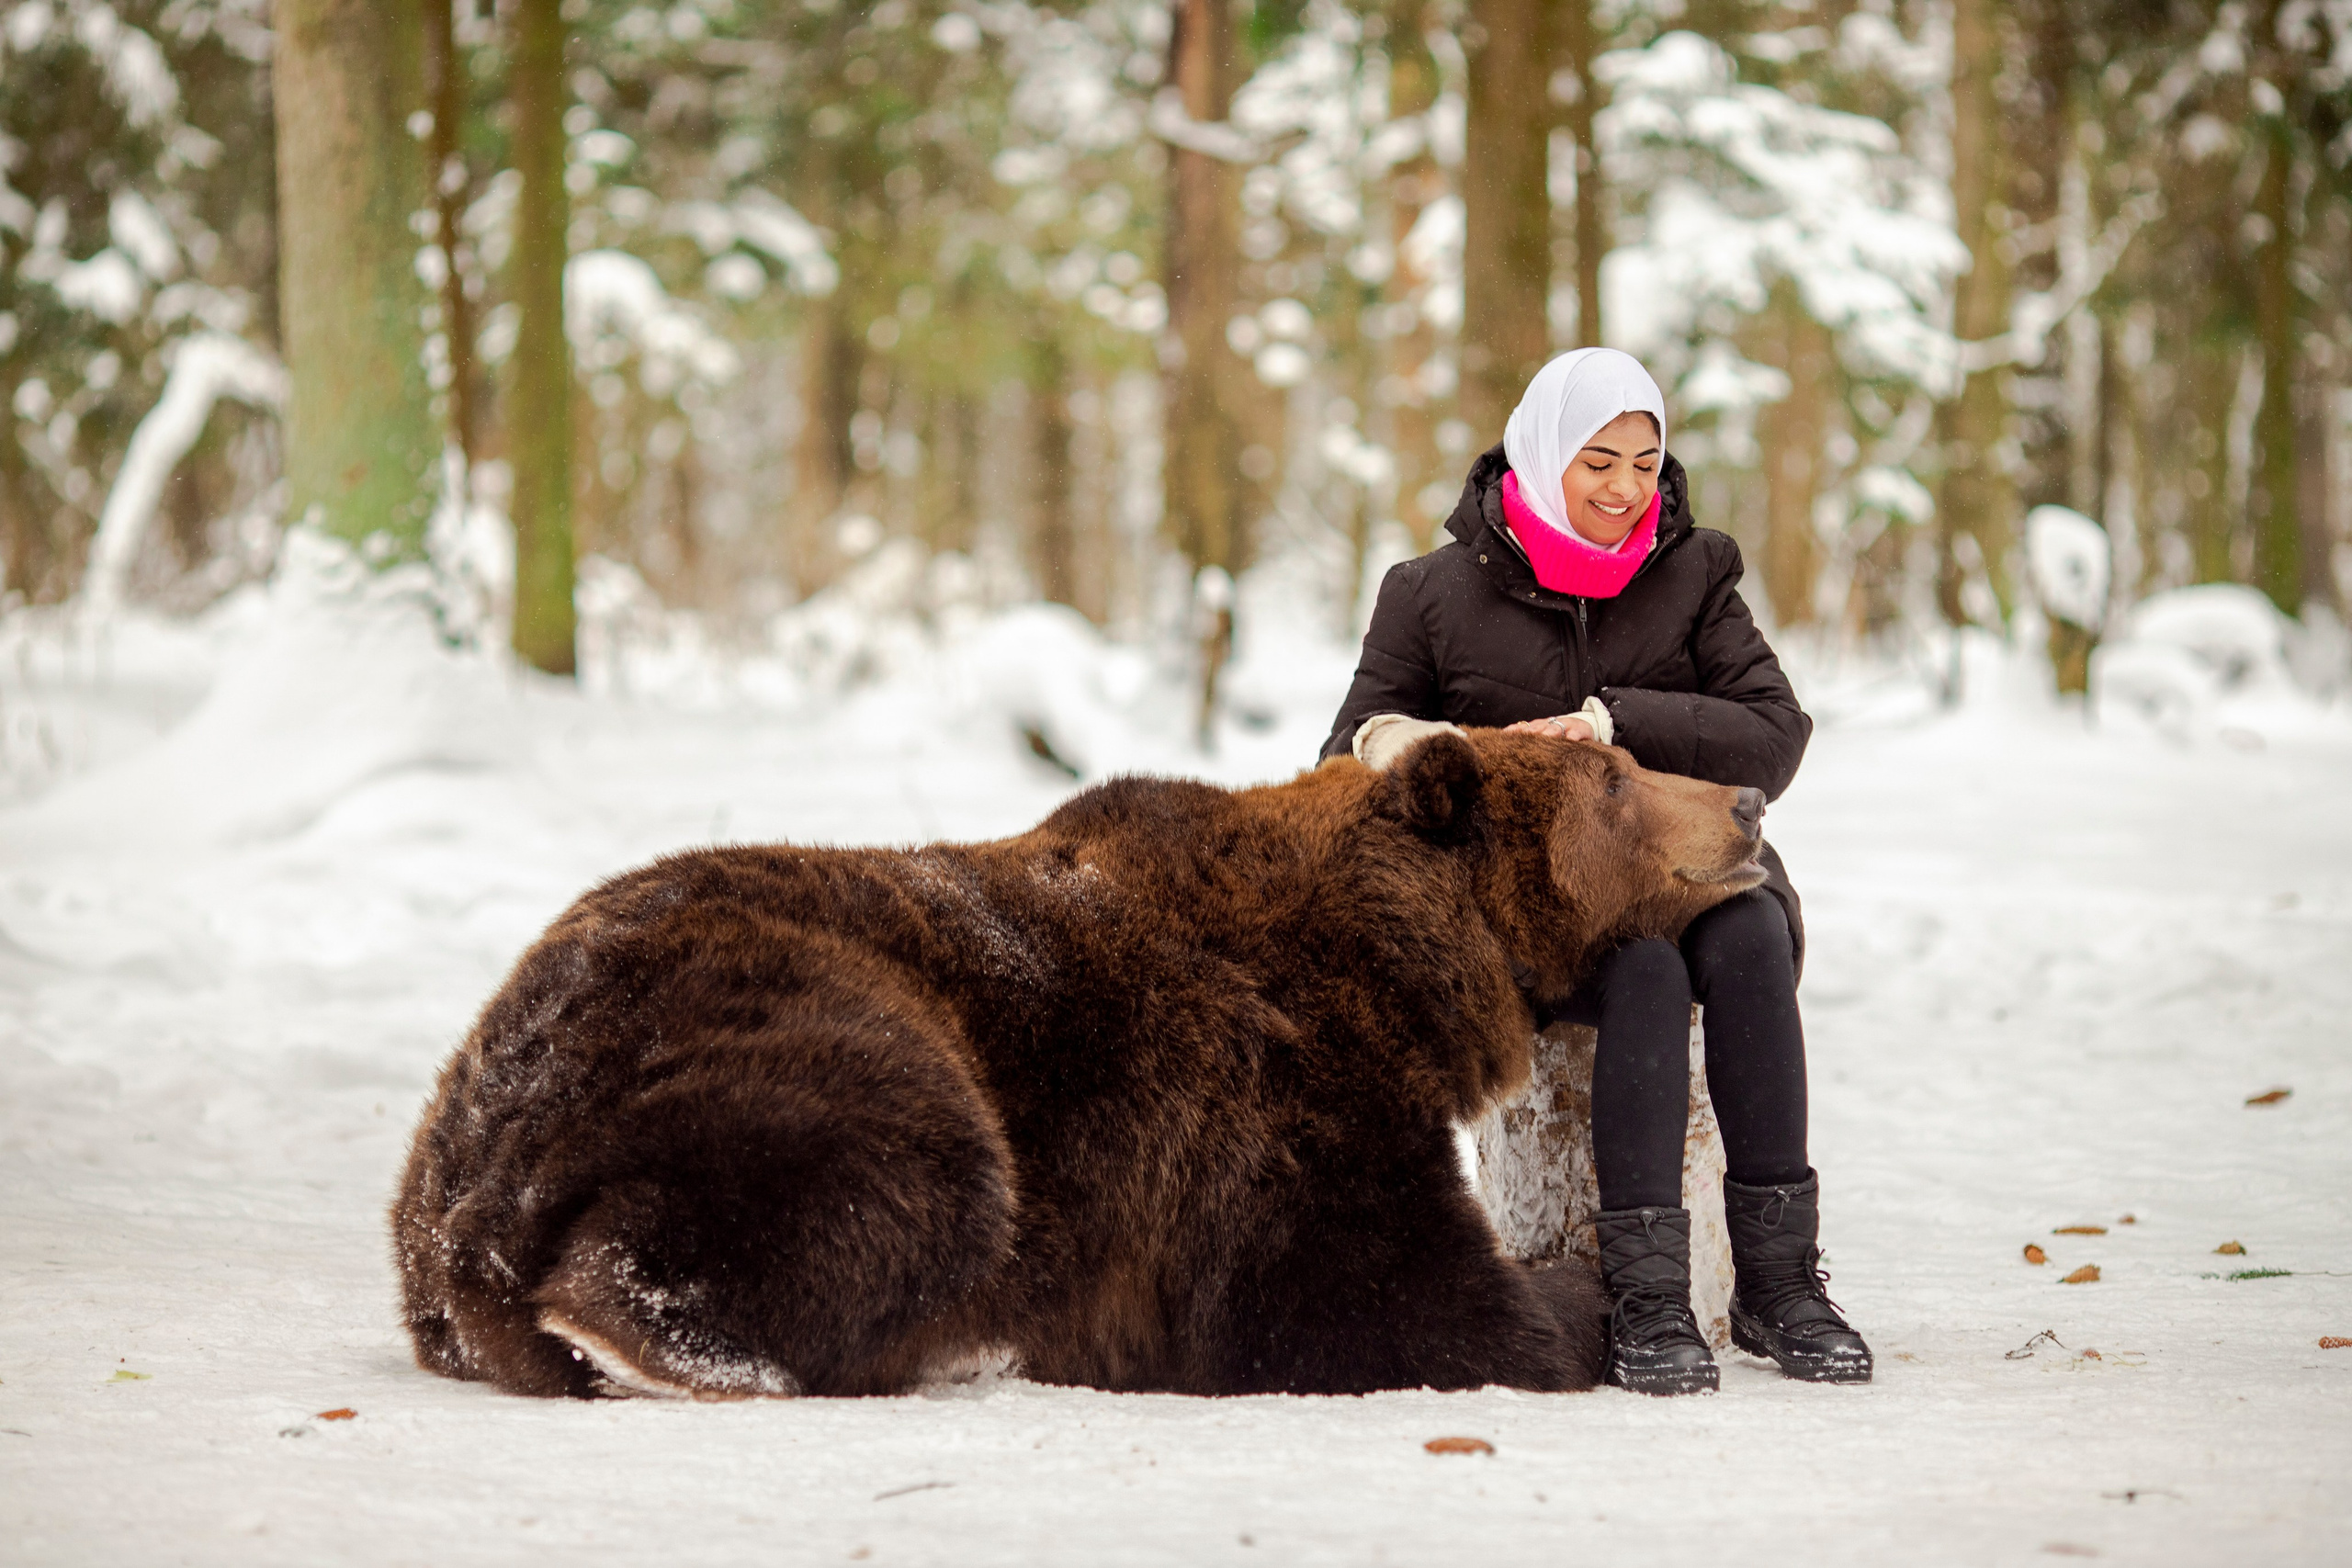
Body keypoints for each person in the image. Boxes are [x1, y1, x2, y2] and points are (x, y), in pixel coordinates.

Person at [1320, 347, 1870, 1396]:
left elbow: (1774, 736)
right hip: (1536, 911)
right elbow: (1346, 751)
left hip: (1683, 863)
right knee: (1648, 981)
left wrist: (1614, 722)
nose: (1626, 491)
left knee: (1751, 935)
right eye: (1597, 462)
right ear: (1538, 456)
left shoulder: (1696, 569)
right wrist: (1437, 745)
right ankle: (1647, 1300)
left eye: (1646, 463)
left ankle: (1777, 1280)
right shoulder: (1429, 594)